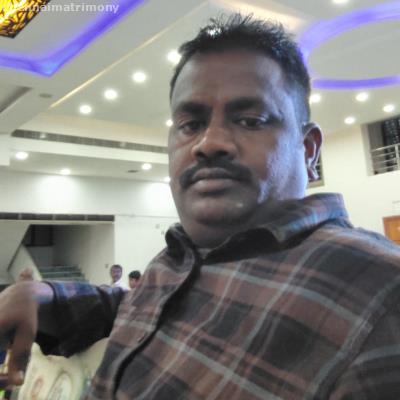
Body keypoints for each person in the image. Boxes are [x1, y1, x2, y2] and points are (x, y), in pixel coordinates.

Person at [0, 14, 400, 399]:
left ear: (309, 150)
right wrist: (47, 295)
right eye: (190, 124)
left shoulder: (379, 294)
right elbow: (150, 309)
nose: (209, 143)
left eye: (251, 119)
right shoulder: (184, 256)